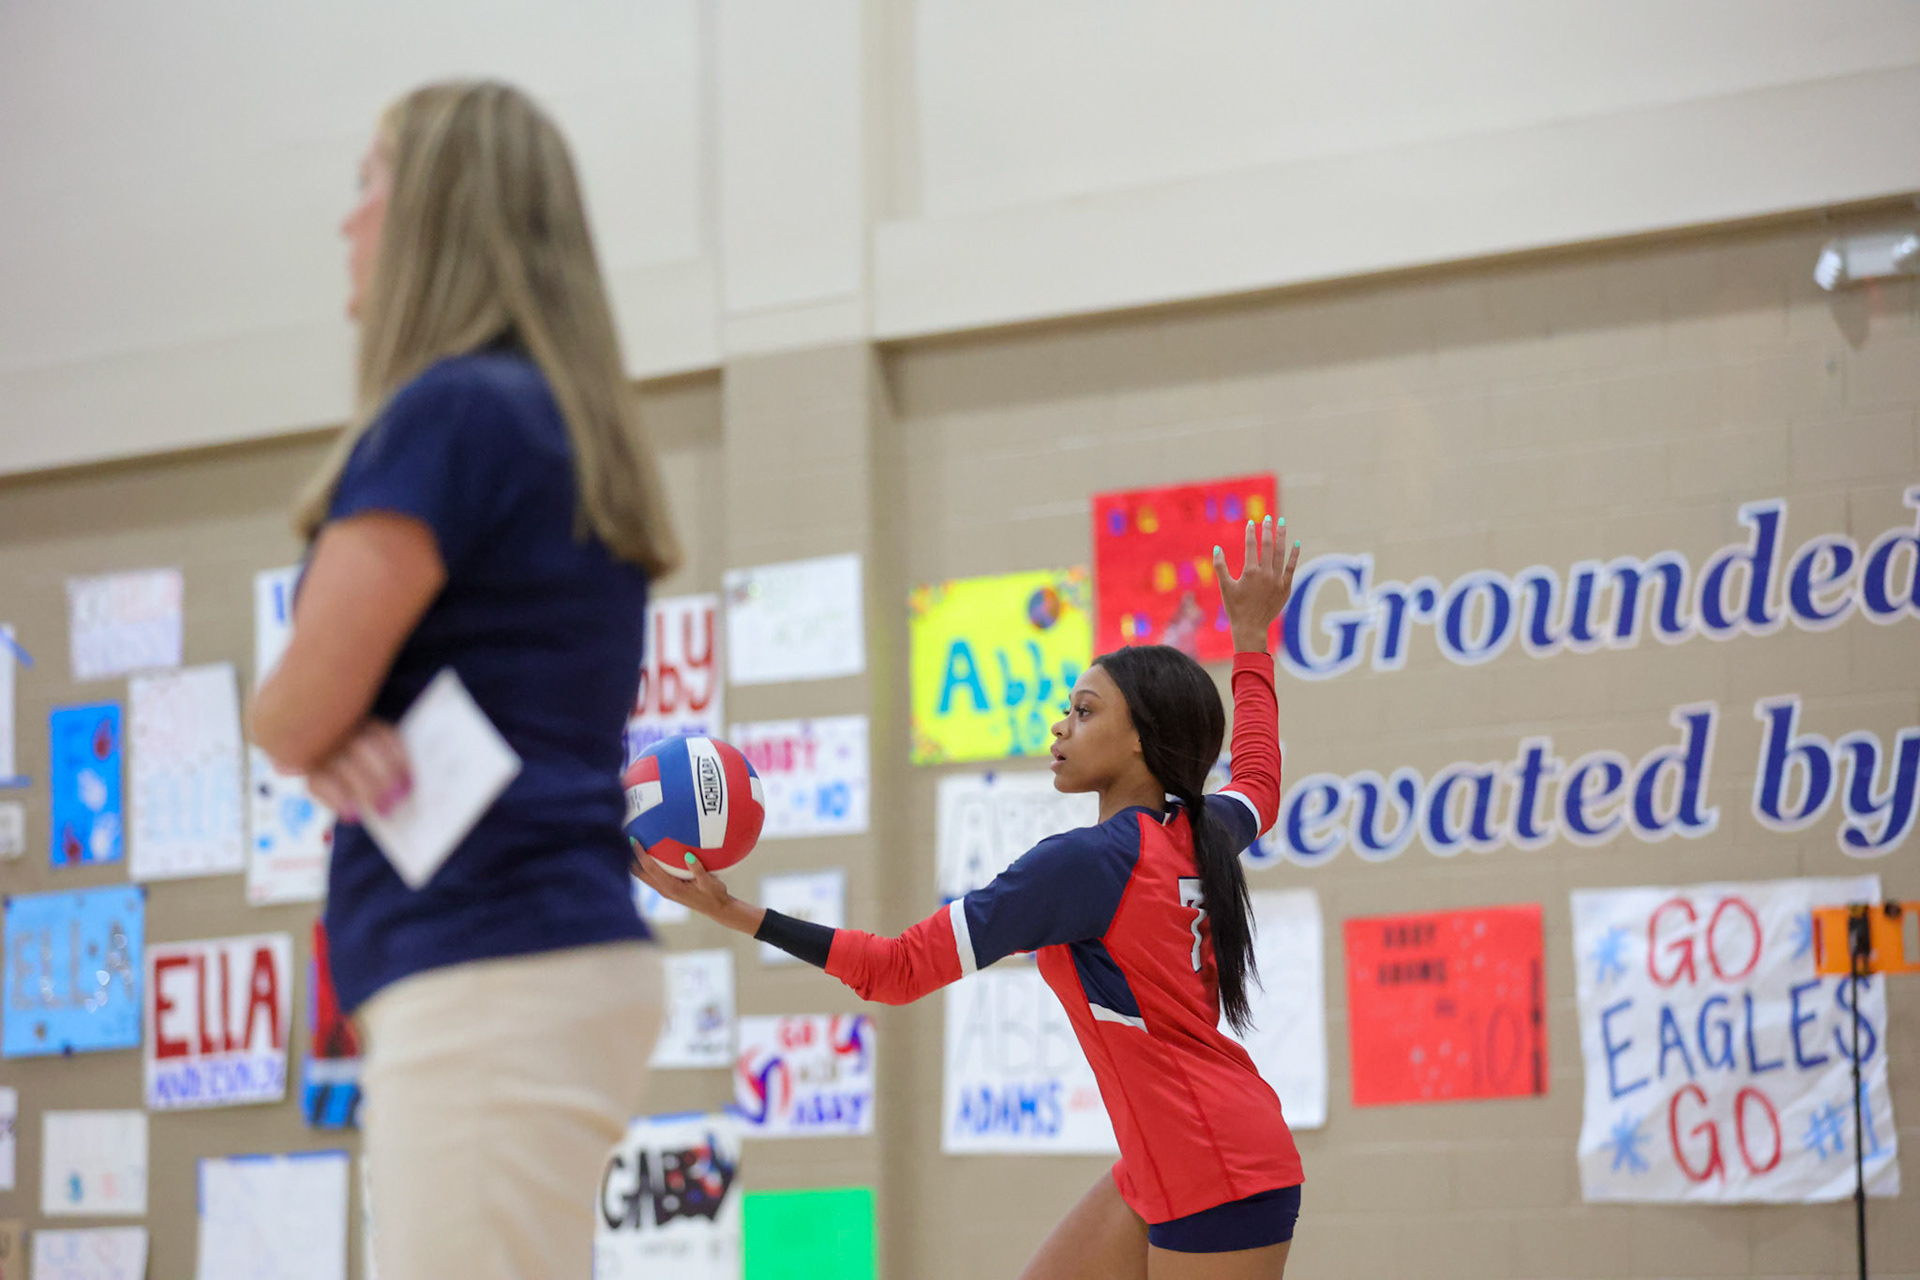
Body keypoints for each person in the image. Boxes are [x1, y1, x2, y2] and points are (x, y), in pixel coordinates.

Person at [249, 81, 677, 1279]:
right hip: (537, 952)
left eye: (367, 184)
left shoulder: (450, 413)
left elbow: (288, 707)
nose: (348, 222)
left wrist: (316, 726)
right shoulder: (553, 421)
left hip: (489, 957)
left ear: (434, 210)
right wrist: (330, 726)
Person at [641, 516, 1306, 1280]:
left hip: (1216, 1171)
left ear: (1138, 742)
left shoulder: (1085, 866)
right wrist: (1250, 638)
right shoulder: (1201, 827)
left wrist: (736, 914)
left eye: (1085, 711)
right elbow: (1258, 781)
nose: (1060, 725)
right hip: (1176, 1155)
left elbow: (893, 971)